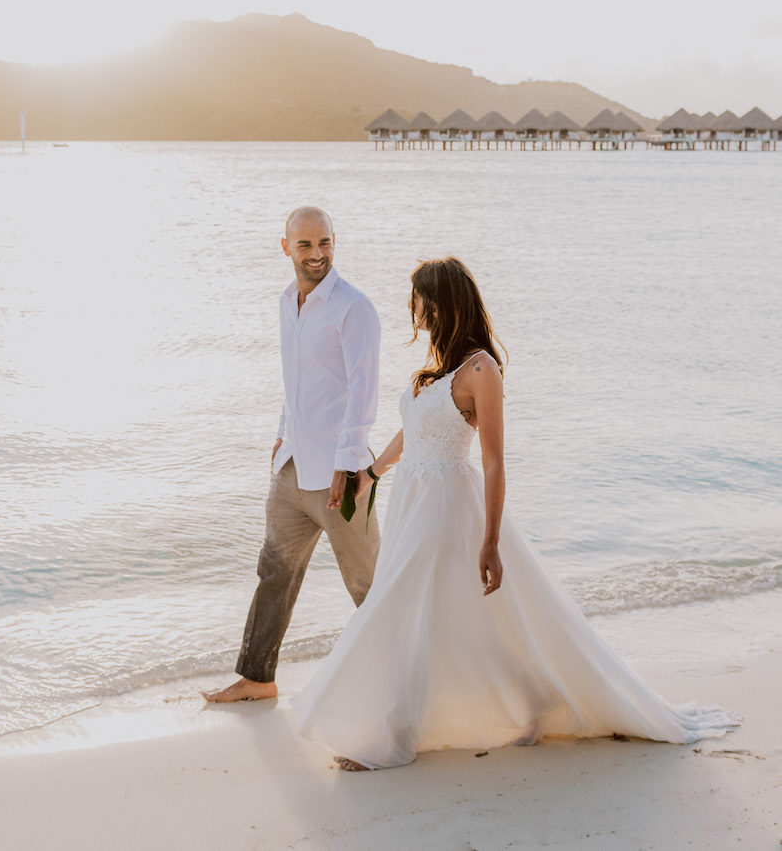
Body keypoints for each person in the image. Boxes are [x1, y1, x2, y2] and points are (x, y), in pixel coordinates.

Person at [292, 256, 739, 769]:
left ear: (437, 300)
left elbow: (494, 459)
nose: (409, 305)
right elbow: (412, 432)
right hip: (410, 502)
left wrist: (491, 540)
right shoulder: (435, 368)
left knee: (396, 608)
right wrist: (370, 474)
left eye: (414, 295)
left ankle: (387, 739)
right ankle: (530, 701)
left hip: (444, 507)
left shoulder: (481, 369)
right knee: (460, 618)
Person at [202, 207, 381, 704]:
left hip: (341, 476)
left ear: (334, 242)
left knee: (369, 584)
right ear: (286, 248)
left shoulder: (354, 308)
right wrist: (283, 430)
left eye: (324, 242)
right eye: (304, 245)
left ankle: (405, 681)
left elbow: (363, 391)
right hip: (292, 467)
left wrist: (349, 464)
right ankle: (258, 678)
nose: (316, 254)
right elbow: (299, 381)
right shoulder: (287, 302)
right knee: (274, 570)